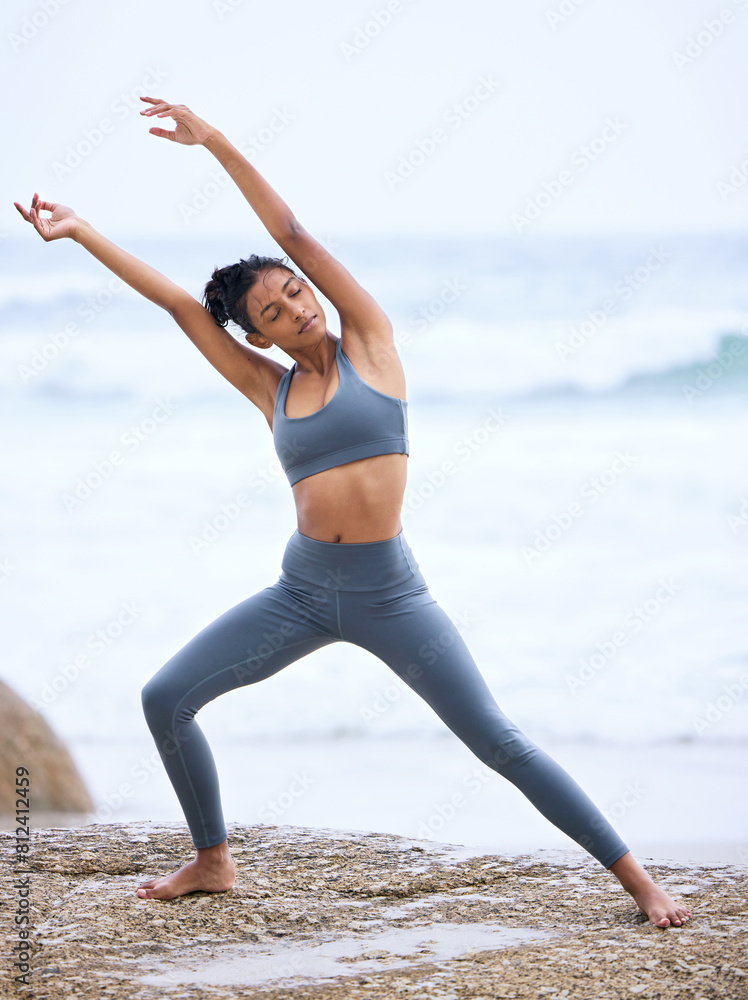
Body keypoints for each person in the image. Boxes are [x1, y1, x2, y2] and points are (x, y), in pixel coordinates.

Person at [14, 97, 692, 929]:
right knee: (166, 697)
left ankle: (641, 883)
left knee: (497, 742)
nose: (298, 309)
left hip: (391, 596)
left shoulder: (370, 339)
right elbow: (182, 309)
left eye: (296, 295)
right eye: (274, 312)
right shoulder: (271, 388)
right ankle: (213, 858)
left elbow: (294, 231)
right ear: (259, 336)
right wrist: (82, 233)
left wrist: (216, 142)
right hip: (300, 592)